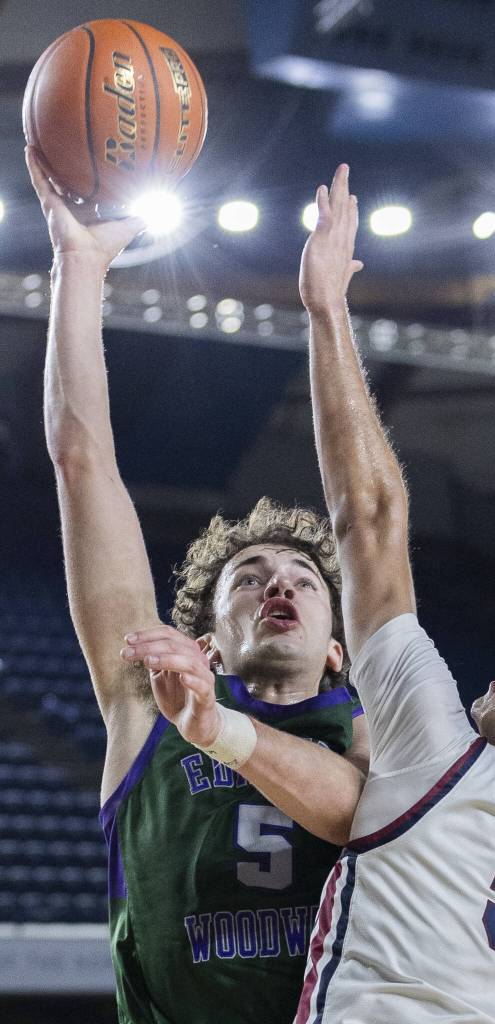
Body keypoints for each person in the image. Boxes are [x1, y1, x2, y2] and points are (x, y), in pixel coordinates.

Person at [117, 165, 495, 1023]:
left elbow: (370, 518)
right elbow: (366, 804)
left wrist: (325, 308)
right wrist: (226, 730)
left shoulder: (442, 755)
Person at [27, 147, 370, 1024]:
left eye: (301, 577)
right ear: (210, 644)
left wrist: (329, 310)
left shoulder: (380, 738)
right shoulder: (149, 707)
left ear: (338, 649)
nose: (277, 585)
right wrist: (80, 264)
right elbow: (83, 463)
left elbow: (373, 517)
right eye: (249, 579)